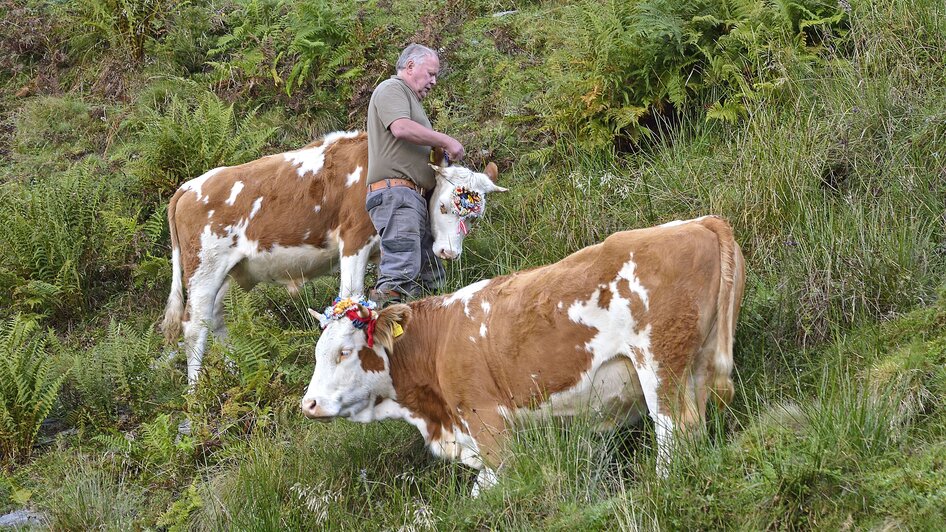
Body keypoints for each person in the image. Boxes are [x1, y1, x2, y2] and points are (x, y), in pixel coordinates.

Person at [364, 43, 465, 305]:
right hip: (398, 195)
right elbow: (400, 128)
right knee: (400, 275)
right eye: (430, 73)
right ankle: (375, 336)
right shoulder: (392, 88)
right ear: (410, 66)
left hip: (413, 199)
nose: (434, 81)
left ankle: (423, 338)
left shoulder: (411, 101)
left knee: (431, 278)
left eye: (436, 76)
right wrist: (445, 140)